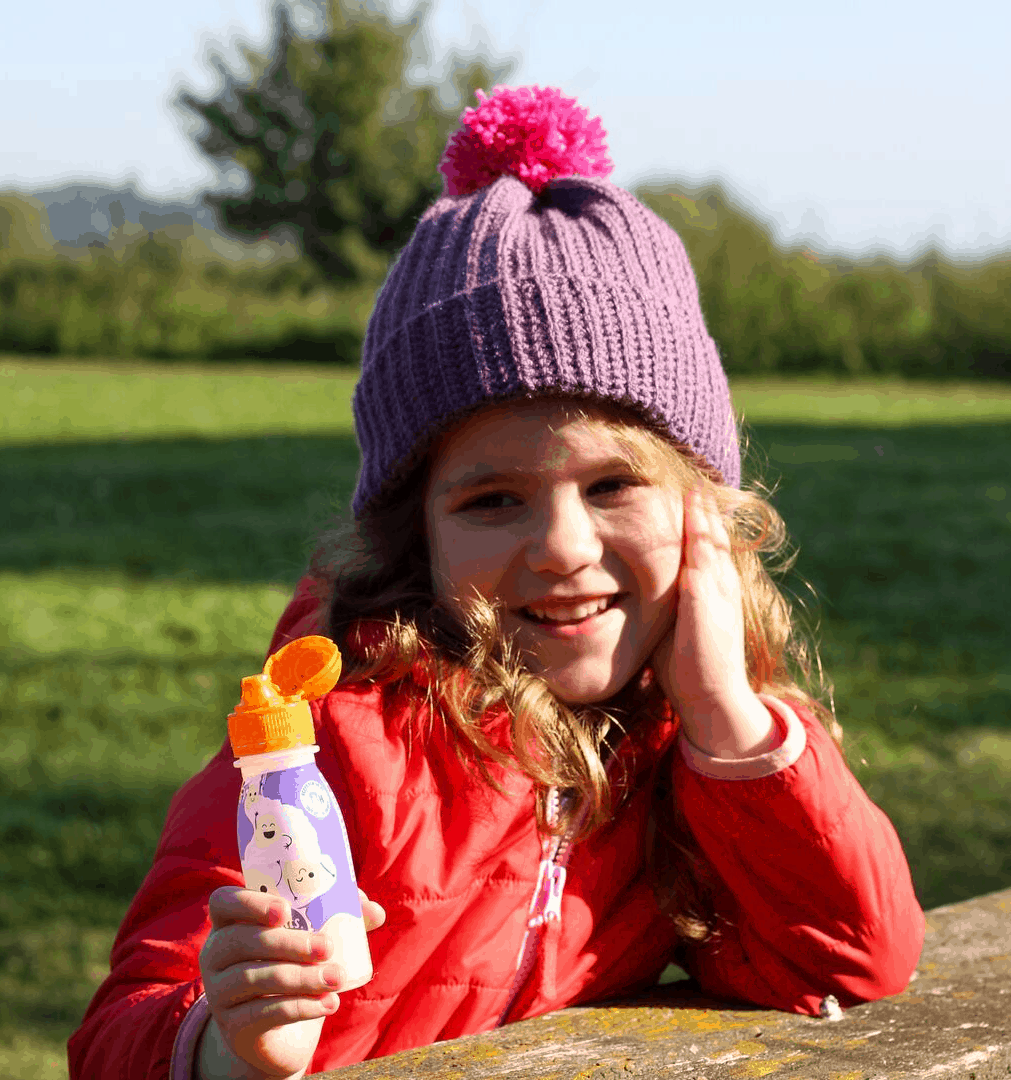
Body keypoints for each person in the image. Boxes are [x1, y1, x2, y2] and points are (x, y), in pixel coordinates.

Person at [68, 86, 925, 1080]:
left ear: (706, 516)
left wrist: (728, 719)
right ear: (412, 533)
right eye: (491, 502)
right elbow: (119, 1031)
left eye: (613, 485)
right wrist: (228, 1043)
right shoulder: (339, 741)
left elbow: (852, 960)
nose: (562, 546)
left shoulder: (682, 753)